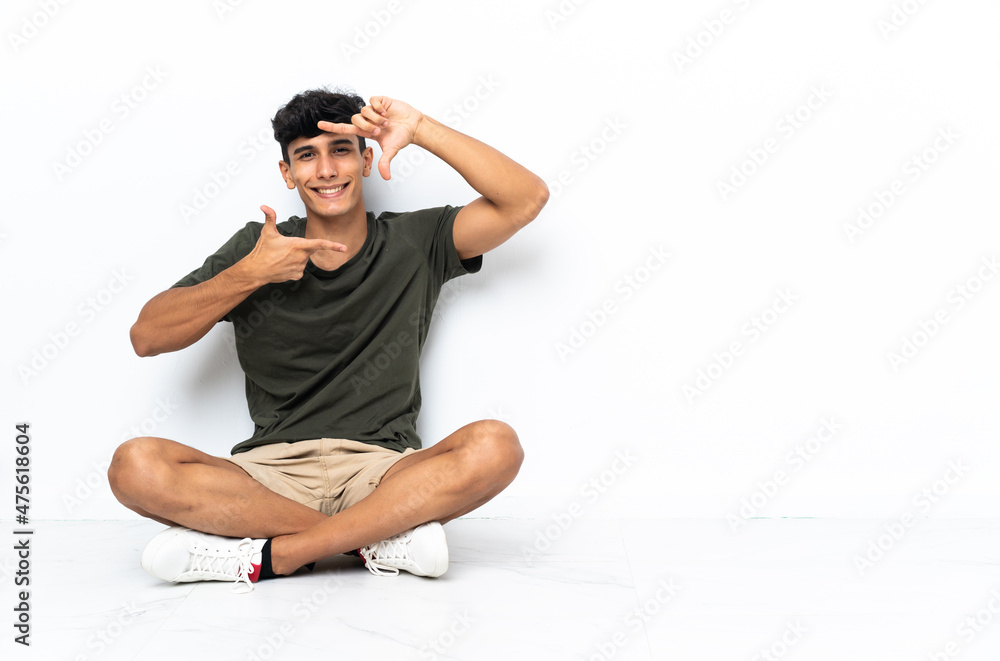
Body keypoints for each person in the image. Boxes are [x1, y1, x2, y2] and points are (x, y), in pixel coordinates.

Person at [108, 88, 548, 592]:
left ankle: (275, 555)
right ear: (287, 173)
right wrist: (249, 274)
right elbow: (147, 336)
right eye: (306, 156)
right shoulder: (258, 248)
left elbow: (525, 197)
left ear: (365, 159)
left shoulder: (415, 240)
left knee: (495, 445)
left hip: (382, 473)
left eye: (340, 150)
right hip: (268, 476)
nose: (325, 170)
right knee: (135, 465)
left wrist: (420, 128)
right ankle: (376, 542)